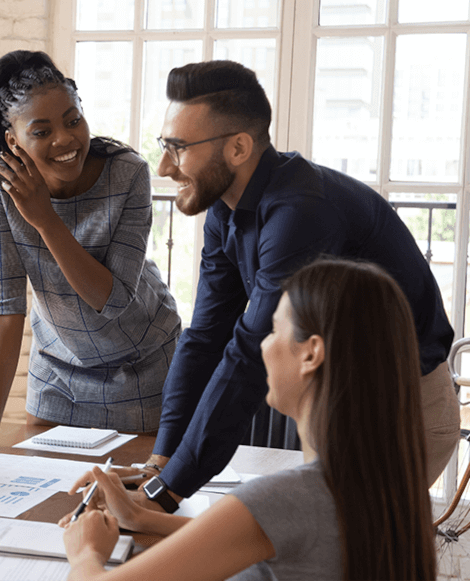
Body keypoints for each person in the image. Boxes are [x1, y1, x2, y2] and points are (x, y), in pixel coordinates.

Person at [123, 60, 457, 509]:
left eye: (178, 148)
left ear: (239, 147)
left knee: (345, 559)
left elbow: (247, 355)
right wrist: (159, 466)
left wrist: (167, 494)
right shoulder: (226, 210)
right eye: (166, 145)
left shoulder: (300, 213)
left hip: (399, 409)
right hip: (335, 402)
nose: (163, 166)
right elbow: (205, 338)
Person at [62, 258, 437, 580]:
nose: (264, 345)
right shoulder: (379, 485)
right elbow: (271, 535)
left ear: (311, 354)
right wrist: (142, 518)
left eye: (275, 330)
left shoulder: (288, 496)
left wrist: (86, 554)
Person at [0, 50, 180, 454]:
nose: (65, 139)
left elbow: (110, 300)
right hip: (58, 373)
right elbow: (5, 305)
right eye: (41, 132)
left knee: (128, 502)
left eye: (73, 120)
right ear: (13, 140)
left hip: (142, 368)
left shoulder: (128, 174)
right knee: (43, 502)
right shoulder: (1, 189)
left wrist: (45, 219)